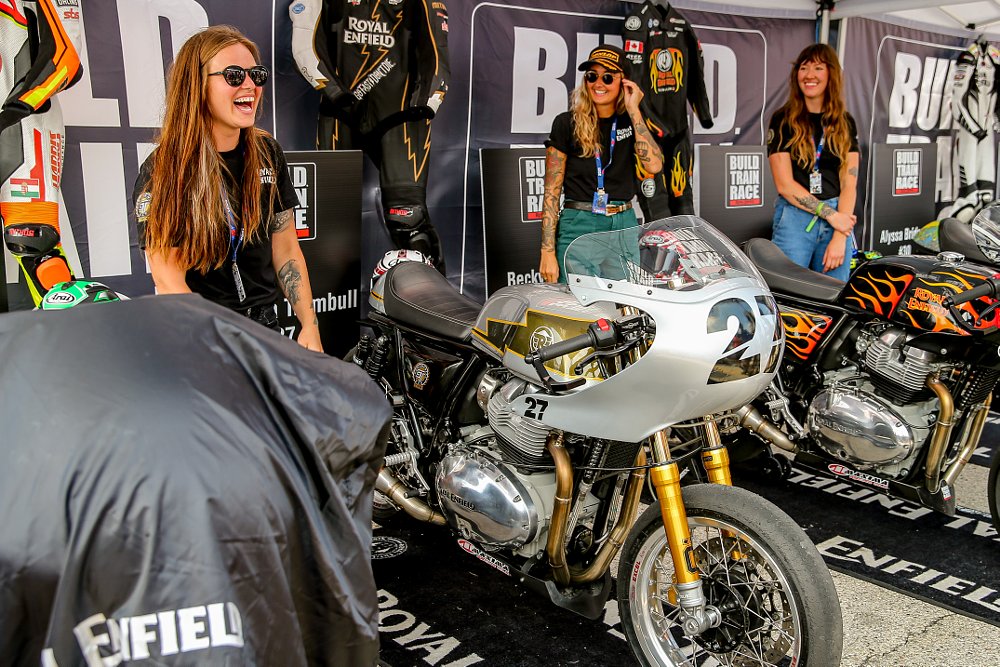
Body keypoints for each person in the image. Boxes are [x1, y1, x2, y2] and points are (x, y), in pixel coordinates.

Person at [133, 25, 323, 351]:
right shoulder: (163, 170)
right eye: (234, 75)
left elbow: (286, 247)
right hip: (203, 330)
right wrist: (211, 343)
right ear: (196, 86)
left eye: (256, 75)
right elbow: (168, 279)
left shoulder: (267, 152)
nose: (249, 85)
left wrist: (309, 326)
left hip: (265, 326)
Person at [539, 45, 664, 283]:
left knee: (628, 307)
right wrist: (547, 251)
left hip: (623, 223)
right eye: (592, 76)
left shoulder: (631, 120)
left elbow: (654, 166)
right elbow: (552, 191)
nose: (599, 83)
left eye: (608, 77)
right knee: (581, 307)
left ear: (624, 83)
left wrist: (634, 109)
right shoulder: (567, 123)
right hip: (580, 222)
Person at [767, 43, 859, 282]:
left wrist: (840, 234)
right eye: (804, 68)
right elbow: (785, 185)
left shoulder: (845, 122)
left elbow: (849, 183)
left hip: (838, 220)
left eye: (818, 68)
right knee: (788, 294)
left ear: (831, 74)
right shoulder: (782, 120)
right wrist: (830, 214)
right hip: (796, 218)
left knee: (834, 294)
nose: (809, 75)